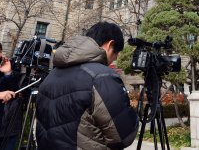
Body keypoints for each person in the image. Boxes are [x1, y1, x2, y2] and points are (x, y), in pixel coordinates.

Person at [36, 22, 138, 150]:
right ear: (110, 44)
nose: (115, 57)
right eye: (116, 52)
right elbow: (122, 136)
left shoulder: (52, 75)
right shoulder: (102, 76)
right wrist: (134, 115)